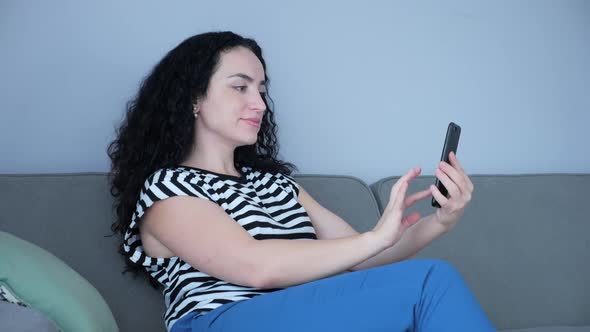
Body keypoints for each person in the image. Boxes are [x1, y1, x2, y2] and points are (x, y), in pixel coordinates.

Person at [107, 31, 496, 332]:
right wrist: (374, 237)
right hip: (220, 321)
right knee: (432, 281)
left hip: (300, 316)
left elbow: (364, 260)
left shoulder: (275, 184)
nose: (259, 103)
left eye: (261, 90)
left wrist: (441, 221)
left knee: (428, 284)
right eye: (240, 87)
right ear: (194, 98)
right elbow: (254, 267)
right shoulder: (167, 189)